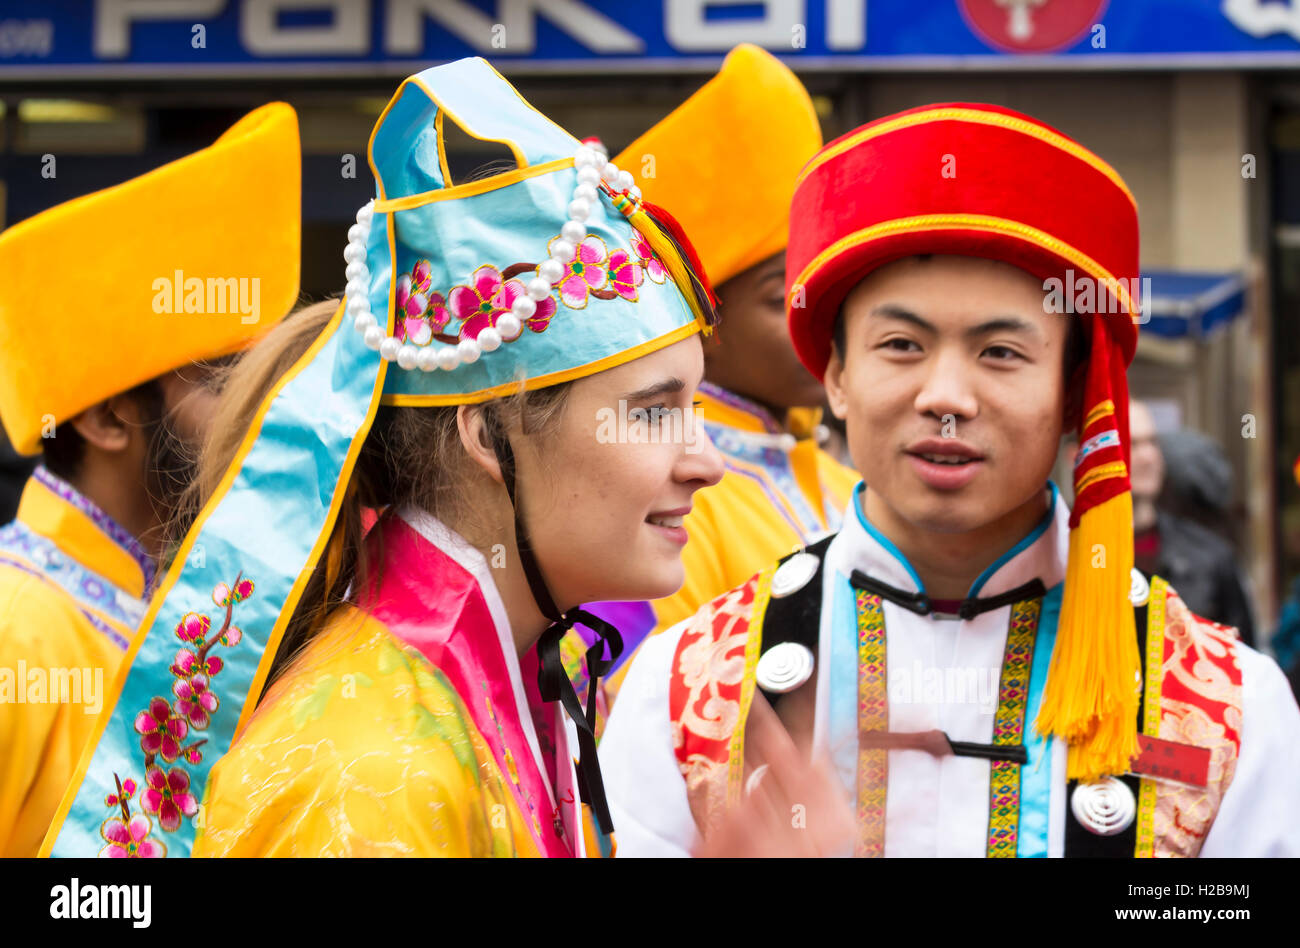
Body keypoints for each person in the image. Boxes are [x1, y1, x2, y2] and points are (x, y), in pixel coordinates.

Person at [40, 58, 850, 859]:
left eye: (696, 410)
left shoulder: (508, 680)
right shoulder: (372, 776)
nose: (705, 463)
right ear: (485, 435)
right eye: (652, 413)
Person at [601, 102, 1300, 857]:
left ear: (1073, 394)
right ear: (835, 375)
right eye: (901, 344)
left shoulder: (1225, 711)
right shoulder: (684, 693)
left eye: (1000, 352)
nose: (945, 397)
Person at [0, 104, 301, 857]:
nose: (263, 409)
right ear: (108, 418)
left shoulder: (177, 603)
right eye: (225, 378)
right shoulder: (18, 635)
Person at [579, 45, 859, 699]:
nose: (823, 321)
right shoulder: (667, 503)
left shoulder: (855, 483)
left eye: (830, 289)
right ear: (703, 322)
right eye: (780, 296)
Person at [1128, 400, 1255, 644]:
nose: (1147, 456)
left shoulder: (1210, 555)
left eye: (1152, 442)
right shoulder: (1066, 551)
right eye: (1131, 444)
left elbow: (1245, 661)